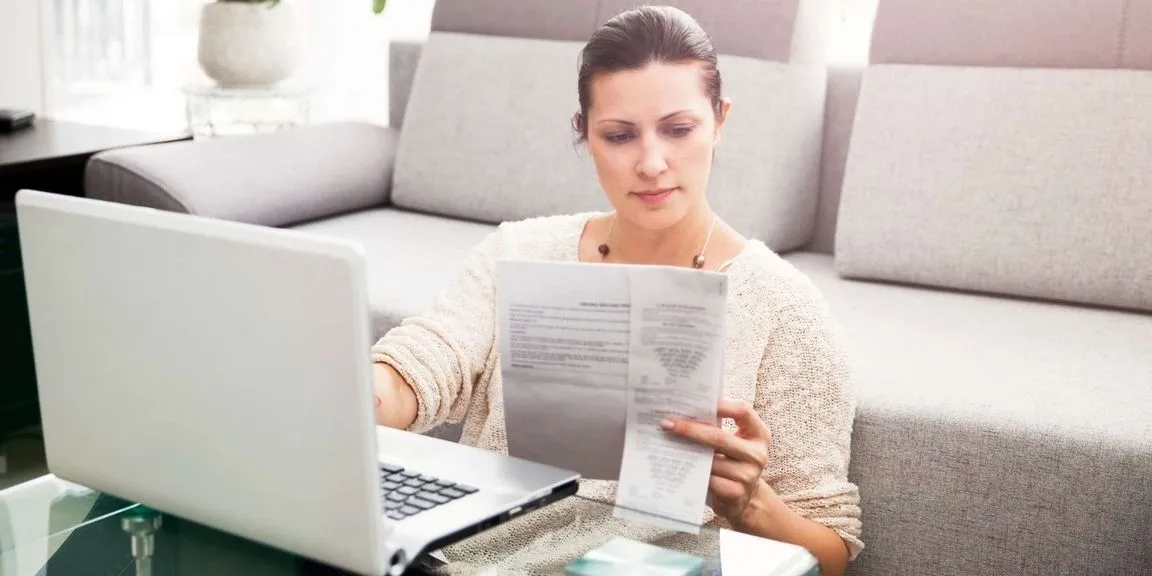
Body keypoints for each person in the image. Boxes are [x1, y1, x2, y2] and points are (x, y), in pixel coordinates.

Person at [370, 5, 862, 575]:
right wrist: (363, 393)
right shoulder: (518, 250)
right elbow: (428, 360)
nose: (651, 163)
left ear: (720, 120)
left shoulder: (785, 309)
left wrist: (752, 506)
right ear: (585, 133)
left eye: (679, 130)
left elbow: (830, 552)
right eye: (619, 135)